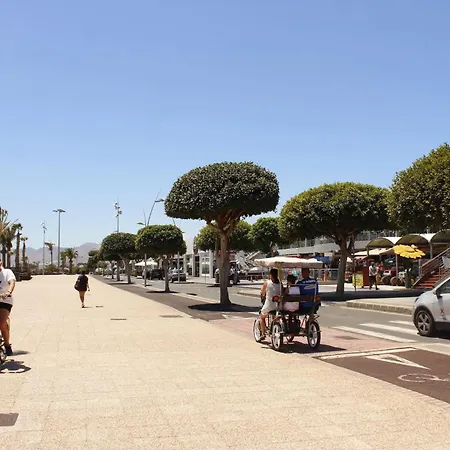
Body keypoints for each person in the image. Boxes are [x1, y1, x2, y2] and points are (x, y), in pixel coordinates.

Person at [0, 259, 16, 356]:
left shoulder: (7, 272)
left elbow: (12, 282)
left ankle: (7, 344)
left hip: (5, 300)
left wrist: (8, 292)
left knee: (1, 323)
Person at [259, 268, 282, 338]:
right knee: (275, 314)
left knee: (262, 316)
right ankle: (273, 323)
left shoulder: (267, 283)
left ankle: (263, 334)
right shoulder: (280, 283)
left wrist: (263, 295)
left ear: (271, 275)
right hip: (279, 305)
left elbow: (262, 293)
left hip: (269, 305)